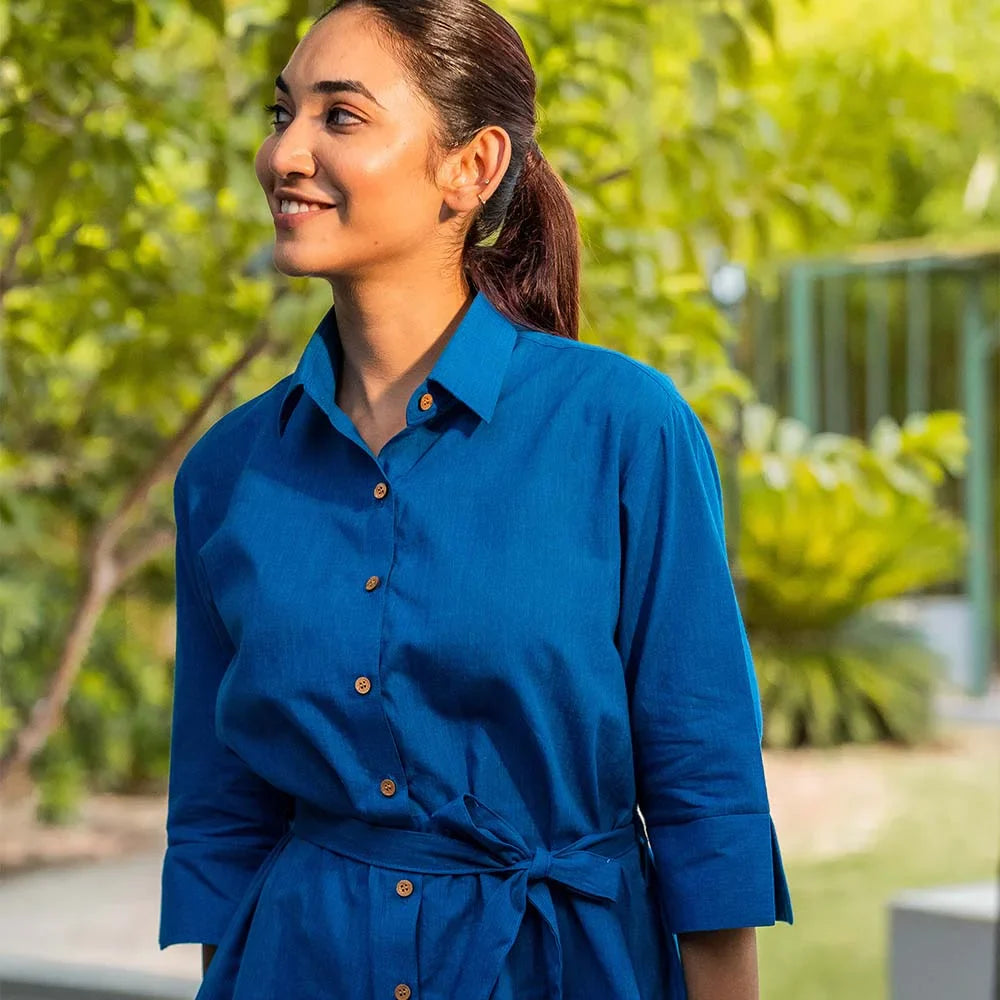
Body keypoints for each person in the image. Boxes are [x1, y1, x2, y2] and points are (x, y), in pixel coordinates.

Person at [157, 1, 794, 998]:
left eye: (340, 117)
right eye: (283, 113)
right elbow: (219, 815)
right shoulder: (226, 474)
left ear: (471, 165)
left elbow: (704, 795)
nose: (284, 152)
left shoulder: (623, 428)